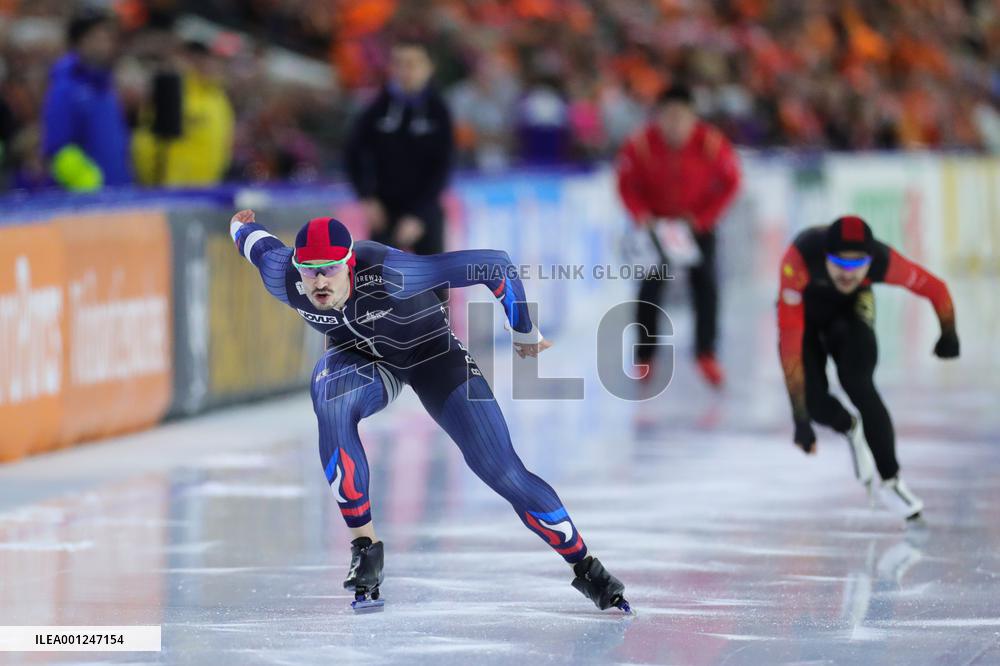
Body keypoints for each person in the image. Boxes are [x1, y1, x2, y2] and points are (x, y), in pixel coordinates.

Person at [228, 209, 630, 613]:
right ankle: (365, 549)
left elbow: (495, 265)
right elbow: (253, 241)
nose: (319, 282)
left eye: (330, 269)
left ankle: (587, 568)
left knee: (501, 469)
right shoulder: (282, 276)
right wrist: (241, 225)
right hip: (360, 361)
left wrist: (523, 328)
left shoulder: (390, 273)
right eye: (310, 270)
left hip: (431, 355)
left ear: (349, 264)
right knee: (330, 398)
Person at [776, 215, 960, 521]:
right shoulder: (798, 261)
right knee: (814, 404)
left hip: (851, 313)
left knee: (858, 383)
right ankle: (849, 426)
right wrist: (800, 418)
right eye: (840, 263)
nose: (848, 274)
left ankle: (891, 480)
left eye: (857, 264)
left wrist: (948, 332)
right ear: (825, 257)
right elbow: (791, 348)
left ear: (871, 261)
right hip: (804, 316)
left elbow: (936, 288)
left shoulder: (884, 261)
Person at [616, 84, 741, 388]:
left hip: (696, 226)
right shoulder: (640, 144)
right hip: (657, 227)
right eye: (668, 117)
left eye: (681, 118)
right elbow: (625, 183)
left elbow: (732, 183)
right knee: (649, 290)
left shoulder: (711, 143)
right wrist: (640, 214)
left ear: (692, 117)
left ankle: (706, 353)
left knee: (706, 287)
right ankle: (645, 355)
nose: (674, 125)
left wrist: (704, 218)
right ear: (658, 117)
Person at [344, 36, 453, 256]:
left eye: (412, 64)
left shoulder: (439, 111)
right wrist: (366, 197)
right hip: (383, 212)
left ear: (428, 67)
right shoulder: (376, 108)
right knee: (376, 276)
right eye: (399, 63)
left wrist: (419, 215)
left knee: (433, 276)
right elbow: (353, 153)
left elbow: (443, 166)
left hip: (425, 213)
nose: (405, 71)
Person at [43, 9, 131, 191]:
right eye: (98, 38)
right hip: (89, 201)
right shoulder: (65, 88)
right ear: (79, 42)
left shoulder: (107, 87)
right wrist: (89, 188)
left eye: (109, 38)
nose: (106, 45)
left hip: (119, 195)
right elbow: (59, 149)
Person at [133, 39, 235, 186]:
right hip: (172, 188)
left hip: (208, 188)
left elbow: (224, 143)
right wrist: (152, 182)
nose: (211, 64)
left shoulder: (218, 97)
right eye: (204, 58)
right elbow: (146, 139)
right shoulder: (173, 91)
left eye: (216, 59)